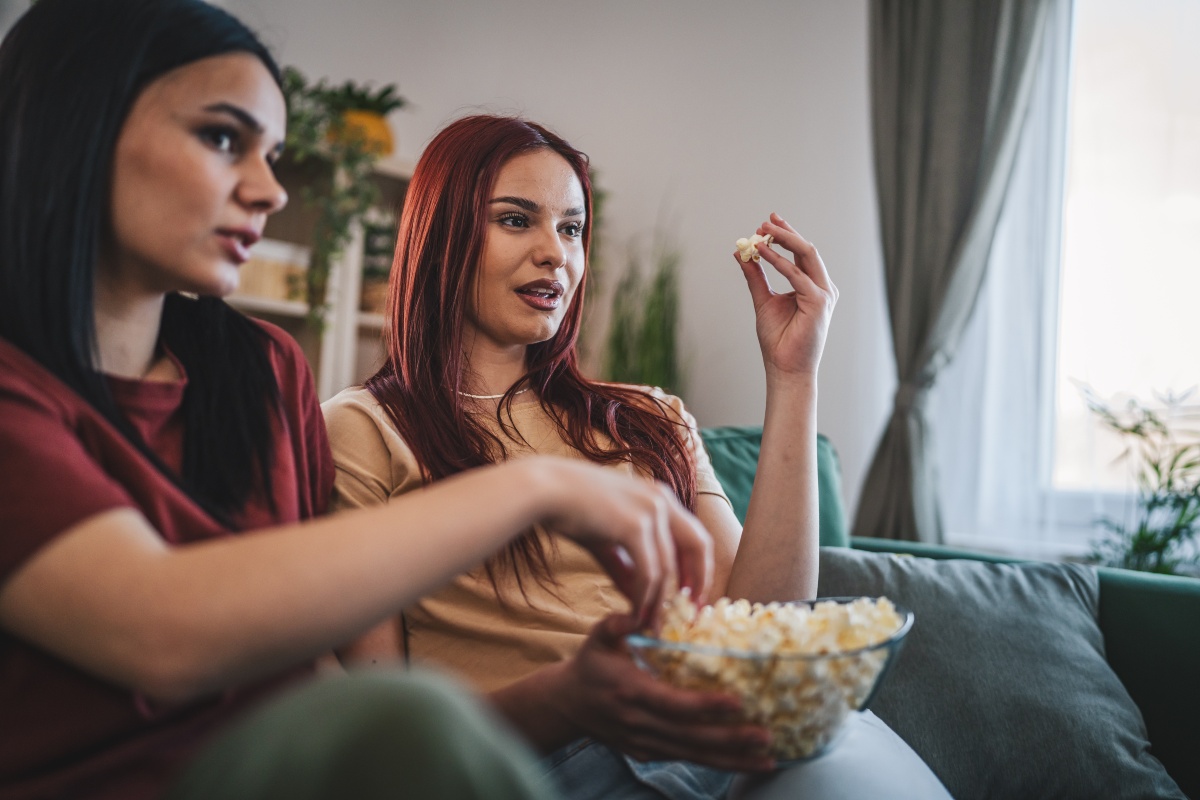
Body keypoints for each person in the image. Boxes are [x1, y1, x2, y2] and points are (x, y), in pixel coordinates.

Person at [0, 3, 714, 799]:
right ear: (77, 128)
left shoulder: (265, 370)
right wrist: (538, 485)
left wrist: (572, 699)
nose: (270, 190)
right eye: (222, 138)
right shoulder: (16, 398)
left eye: (272, 153)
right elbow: (158, 631)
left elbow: (313, 674)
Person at [323, 114, 952, 799]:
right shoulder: (363, 428)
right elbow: (384, 740)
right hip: (541, 768)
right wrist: (573, 699)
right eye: (515, 220)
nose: (554, 254)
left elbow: (767, 626)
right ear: (442, 235)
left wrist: (794, 379)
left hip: (716, 742)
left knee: (839, 746)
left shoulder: (649, 418)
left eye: (571, 228)